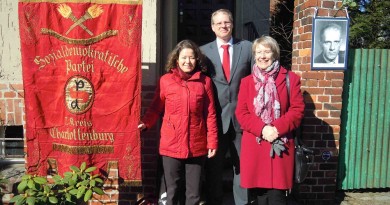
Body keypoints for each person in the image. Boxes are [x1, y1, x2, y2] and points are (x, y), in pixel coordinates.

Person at [138, 40, 218, 205]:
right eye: (184, 57)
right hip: (171, 145)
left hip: (197, 146)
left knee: (194, 195)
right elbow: (155, 108)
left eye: (191, 57)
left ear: (197, 60)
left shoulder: (205, 82)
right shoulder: (166, 81)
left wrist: (213, 142)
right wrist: (146, 123)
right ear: (176, 59)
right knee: (171, 191)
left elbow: (210, 114)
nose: (187, 61)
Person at [235, 36, 305, 205]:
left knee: (277, 198)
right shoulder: (246, 82)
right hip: (255, 147)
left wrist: (275, 128)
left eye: (267, 51)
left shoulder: (291, 78)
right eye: (259, 52)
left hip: (280, 145)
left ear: (275, 54)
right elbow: (241, 113)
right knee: (258, 197)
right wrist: (263, 129)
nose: (262, 56)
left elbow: (297, 110)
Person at [200, 9, 253, 205]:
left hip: (242, 117)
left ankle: (242, 202)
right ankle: (215, 201)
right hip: (215, 118)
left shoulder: (247, 48)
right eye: (219, 23)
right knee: (214, 167)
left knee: (242, 166)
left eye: (227, 22)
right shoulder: (203, 52)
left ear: (232, 24)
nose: (224, 26)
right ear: (213, 27)